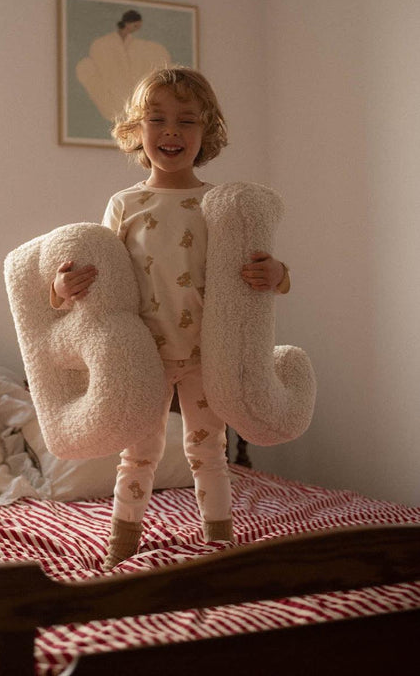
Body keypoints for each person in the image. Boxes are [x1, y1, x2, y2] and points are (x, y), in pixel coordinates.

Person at [51, 67, 290, 569]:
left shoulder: (220, 206)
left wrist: (279, 273)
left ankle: (220, 545)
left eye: (186, 121)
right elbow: (96, 282)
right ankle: (121, 549)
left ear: (207, 132)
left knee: (210, 455)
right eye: (157, 119)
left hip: (208, 355)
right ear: (138, 130)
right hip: (144, 358)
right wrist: (60, 287)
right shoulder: (125, 204)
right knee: (138, 455)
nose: (171, 132)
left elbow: (264, 278)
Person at [76, 10, 171, 121]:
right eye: (135, 26)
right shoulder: (102, 43)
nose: (137, 29)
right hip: (112, 85)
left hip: (130, 87)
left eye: (138, 26)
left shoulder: (139, 45)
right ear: (127, 23)